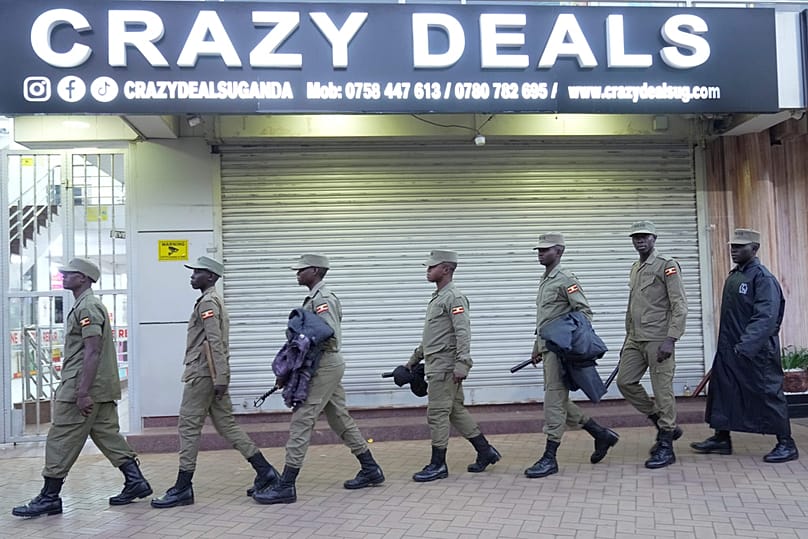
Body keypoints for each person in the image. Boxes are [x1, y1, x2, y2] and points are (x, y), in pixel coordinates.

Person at [13, 258, 152, 517]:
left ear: (84, 278)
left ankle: (50, 496)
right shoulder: (85, 304)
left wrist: (82, 392)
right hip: (98, 387)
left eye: (70, 274)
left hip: (84, 386)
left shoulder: (88, 307)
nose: (64, 276)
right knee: (107, 435)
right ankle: (136, 482)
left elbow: (93, 350)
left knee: (60, 439)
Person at [253, 254, 384, 504]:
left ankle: (286, 485)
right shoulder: (315, 297)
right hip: (323, 365)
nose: (297, 274)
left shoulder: (323, 299)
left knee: (303, 418)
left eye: (301, 270)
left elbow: (325, 335)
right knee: (339, 418)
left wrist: (298, 358)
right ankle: (370, 469)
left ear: (314, 270)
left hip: (324, 365)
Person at [151, 256, 279, 508]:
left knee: (188, 427)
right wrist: (221, 377)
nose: (191, 276)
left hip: (202, 374)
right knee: (227, 426)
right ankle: (265, 472)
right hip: (212, 374)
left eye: (196, 272)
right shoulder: (211, 300)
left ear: (210, 277)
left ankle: (183, 487)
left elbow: (214, 342)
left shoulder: (208, 302)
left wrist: (220, 377)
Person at [691, 228, 799, 463]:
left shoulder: (762, 278)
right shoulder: (736, 275)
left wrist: (746, 347)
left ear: (755, 248)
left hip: (755, 352)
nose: (734, 250)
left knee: (768, 393)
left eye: (740, 246)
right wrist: (729, 349)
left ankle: (786, 444)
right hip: (730, 349)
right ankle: (721, 437)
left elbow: (766, 318)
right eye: (732, 246)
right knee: (723, 391)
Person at [525, 234, 619, 479]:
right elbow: (545, 319)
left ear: (559, 251)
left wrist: (569, 343)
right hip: (549, 349)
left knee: (553, 401)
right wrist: (538, 345)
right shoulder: (546, 279)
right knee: (558, 399)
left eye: (545, 250)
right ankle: (600, 434)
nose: (540, 253)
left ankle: (550, 457)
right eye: (539, 250)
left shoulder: (565, 278)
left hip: (561, 350)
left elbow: (583, 312)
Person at [404, 249, 500, 482]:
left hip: (445, 367)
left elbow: (462, 332)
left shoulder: (454, 297)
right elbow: (432, 336)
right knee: (455, 411)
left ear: (446, 269)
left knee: (437, 413)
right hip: (437, 363)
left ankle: (438, 465)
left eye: (431, 266)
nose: (427, 270)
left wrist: (462, 364)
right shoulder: (439, 297)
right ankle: (486, 451)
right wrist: (413, 359)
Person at [617, 221, 688, 469]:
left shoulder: (666, 265)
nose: (640, 241)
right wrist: (627, 337)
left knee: (662, 390)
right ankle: (660, 420)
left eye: (644, 237)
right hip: (635, 339)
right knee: (625, 382)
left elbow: (679, 304)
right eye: (636, 237)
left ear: (654, 238)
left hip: (659, 339)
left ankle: (666, 445)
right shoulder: (636, 267)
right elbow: (633, 305)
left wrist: (671, 338)